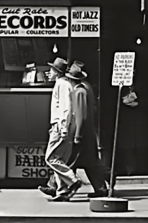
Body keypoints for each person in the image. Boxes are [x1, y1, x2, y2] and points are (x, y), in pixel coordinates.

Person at [66, 63, 108, 198]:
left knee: (70, 161)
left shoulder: (79, 92)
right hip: (88, 132)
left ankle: (57, 186)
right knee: (90, 163)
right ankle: (101, 187)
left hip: (82, 133)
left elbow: (81, 115)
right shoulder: (87, 88)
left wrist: (77, 134)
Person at [44, 57, 82, 201]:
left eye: (51, 70)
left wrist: (63, 127)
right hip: (64, 125)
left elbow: (66, 107)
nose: (49, 72)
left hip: (61, 125)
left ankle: (72, 180)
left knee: (51, 158)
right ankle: (62, 191)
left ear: (56, 71)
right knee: (60, 159)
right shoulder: (65, 84)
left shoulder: (62, 84)